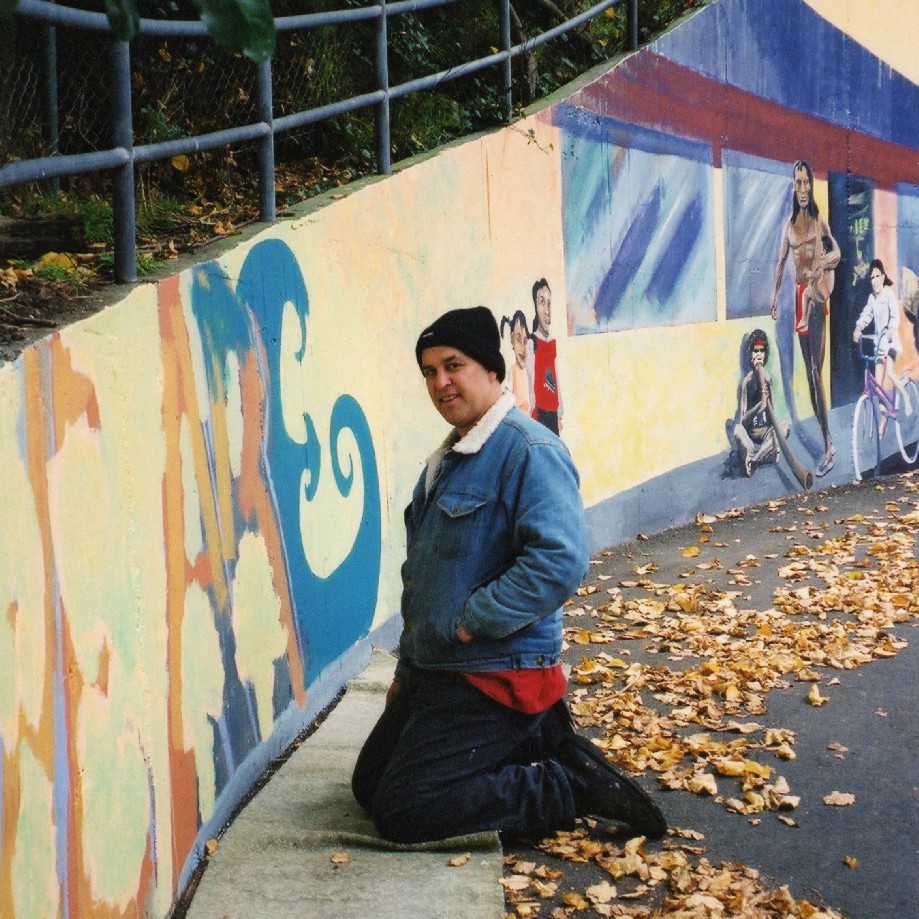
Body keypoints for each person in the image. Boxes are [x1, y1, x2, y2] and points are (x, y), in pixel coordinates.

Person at [352, 306, 666, 844]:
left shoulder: (529, 450)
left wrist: (474, 621)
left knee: (404, 809)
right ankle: (534, 742)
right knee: (370, 784)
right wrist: (406, 671)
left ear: (492, 370)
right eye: (429, 371)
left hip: (494, 671)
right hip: (438, 668)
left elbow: (559, 560)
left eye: (453, 365)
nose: (440, 382)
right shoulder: (447, 460)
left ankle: (560, 785)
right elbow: (423, 581)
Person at [770, 160, 840, 477]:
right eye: (797, 183)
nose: (802, 189)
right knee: (810, 380)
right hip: (799, 302)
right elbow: (781, 262)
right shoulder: (789, 227)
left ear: (811, 185)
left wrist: (823, 265)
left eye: (806, 182)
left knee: (815, 371)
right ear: (793, 186)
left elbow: (836, 252)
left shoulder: (817, 220)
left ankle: (828, 445)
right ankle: (826, 443)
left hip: (816, 299)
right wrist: (774, 299)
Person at [853, 259, 913, 433]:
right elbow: (866, 315)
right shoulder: (872, 298)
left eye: (878, 276)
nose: (875, 280)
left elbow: (895, 316)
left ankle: (906, 398)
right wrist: (858, 328)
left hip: (891, 342)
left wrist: (890, 330)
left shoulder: (888, 294)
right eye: (872, 277)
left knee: (892, 374)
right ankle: (885, 417)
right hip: (879, 344)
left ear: (883, 276)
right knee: (878, 386)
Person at [733, 329, 790, 476]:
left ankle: (755, 460)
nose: (759, 355)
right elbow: (743, 421)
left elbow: (773, 418)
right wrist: (760, 406)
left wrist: (767, 405)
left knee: (784, 427)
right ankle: (761, 454)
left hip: (765, 435)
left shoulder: (768, 379)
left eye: (762, 351)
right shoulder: (747, 382)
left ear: (766, 354)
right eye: (755, 351)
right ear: (750, 354)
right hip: (751, 437)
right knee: (737, 430)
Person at [527, 278, 564, 434]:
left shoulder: (552, 343)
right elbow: (530, 379)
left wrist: (560, 413)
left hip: (553, 414)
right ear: (535, 307)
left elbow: (556, 379)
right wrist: (532, 413)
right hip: (539, 414)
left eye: (549, 303)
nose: (547, 310)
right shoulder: (532, 342)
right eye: (542, 303)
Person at [500, 309, 533, 415]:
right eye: (519, 340)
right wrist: (518, 408)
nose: (523, 349)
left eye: (525, 341)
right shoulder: (512, 371)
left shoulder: (526, 372)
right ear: (512, 339)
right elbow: (505, 400)